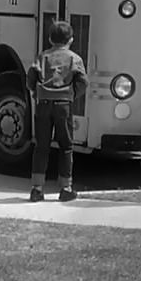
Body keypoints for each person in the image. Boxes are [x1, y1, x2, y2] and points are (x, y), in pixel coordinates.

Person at [26, 20, 89, 202]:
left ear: (50, 39)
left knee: (42, 146)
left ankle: (37, 189)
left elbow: (31, 77)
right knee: (66, 146)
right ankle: (65, 188)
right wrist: (72, 94)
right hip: (63, 104)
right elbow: (83, 82)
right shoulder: (74, 58)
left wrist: (34, 91)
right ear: (71, 40)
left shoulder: (42, 56)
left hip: (43, 103)